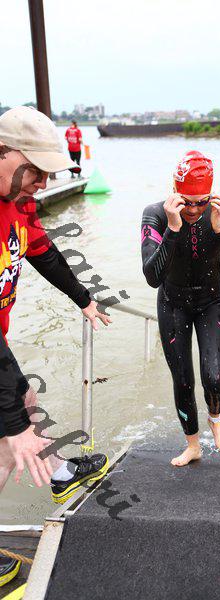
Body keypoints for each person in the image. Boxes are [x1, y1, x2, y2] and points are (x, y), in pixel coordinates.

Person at [0, 106, 111, 508]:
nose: (43, 183)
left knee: (25, 398)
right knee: (11, 443)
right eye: (35, 170)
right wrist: (16, 426)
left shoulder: (19, 200)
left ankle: (60, 472)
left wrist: (83, 298)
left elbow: (43, 253)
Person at [141, 151, 220, 466]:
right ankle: (193, 445)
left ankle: (215, 419)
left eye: (201, 202)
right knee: (183, 380)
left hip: (212, 301)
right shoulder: (155, 214)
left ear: (211, 194)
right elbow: (152, 277)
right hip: (172, 303)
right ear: (174, 192)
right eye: (186, 202)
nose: (193, 210)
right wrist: (172, 229)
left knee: (214, 376)